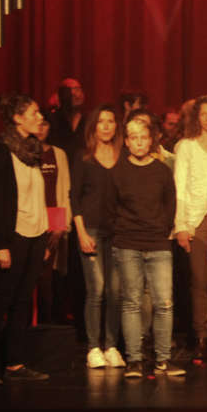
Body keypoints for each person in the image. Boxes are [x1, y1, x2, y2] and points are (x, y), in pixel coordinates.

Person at [0, 94, 53, 385]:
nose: (39, 117)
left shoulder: (33, 151)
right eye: (34, 112)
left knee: (22, 302)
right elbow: (1, 203)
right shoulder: (3, 153)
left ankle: (14, 364)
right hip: (14, 236)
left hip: (35, 235)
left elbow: (38, 197)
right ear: (17, 118)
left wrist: (44, 236)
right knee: (2, 300)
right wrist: (1, 244)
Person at [108, 117, 183, 378]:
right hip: (128, 243)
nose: (139, 143)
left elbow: (170, 204)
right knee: (131, 302)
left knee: (163, 302)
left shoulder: (161, 170)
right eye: (134, 138)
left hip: (158, 243)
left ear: (151, 140)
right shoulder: (118, 171)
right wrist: (123, 232)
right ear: (127, 142)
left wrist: (162, 230)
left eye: (143, 137)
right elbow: (111, 208)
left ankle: (163, 359)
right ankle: (135, 359)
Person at [172, 95, 207, 358]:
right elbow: (179, 189)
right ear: (197, 117)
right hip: (196, 221)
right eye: (203, 114)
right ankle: (200, 334)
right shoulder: (186, 147)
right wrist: (181, 225)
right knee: (199, 280)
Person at [71, 105, 125, 369]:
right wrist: (80, 232)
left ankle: (111, 345)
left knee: (115, 291)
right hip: (90, 229)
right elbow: (75, 198)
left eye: (111, 121)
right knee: (98, 289)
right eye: (101, 121)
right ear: (93, 127)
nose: (106, 126)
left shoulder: (123, 156)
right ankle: (93, 346)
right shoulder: (84, 158)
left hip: (117, 231)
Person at [35, 113, 72, 325]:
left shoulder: (59, 154)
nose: (40, 127)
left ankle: (49, 325)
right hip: (30, 223)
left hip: (53, 224)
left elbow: (65, 190)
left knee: (50, 278)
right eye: (38, 123)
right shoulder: (23, 153)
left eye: (45, 123)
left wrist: (60, 226)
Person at [47, 78, 86, 156]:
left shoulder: (87, 119)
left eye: (78, 89)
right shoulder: (53, 119)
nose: (75, 94)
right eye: (69, 91)